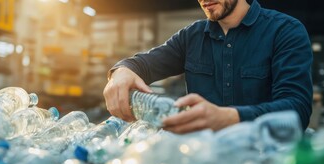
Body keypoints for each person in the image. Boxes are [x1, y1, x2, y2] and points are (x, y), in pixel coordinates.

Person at [103, 0, 313, 134]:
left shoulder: (285, 31)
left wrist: (229, 118)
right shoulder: (191, 36)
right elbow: (143, 64)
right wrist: (121, 72)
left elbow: (297, 110)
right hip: (205, 162)